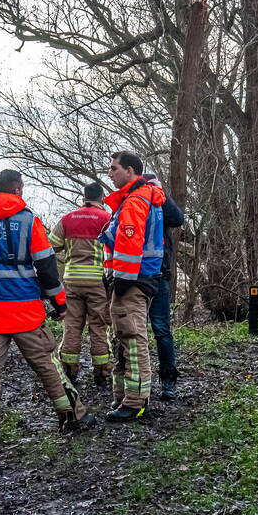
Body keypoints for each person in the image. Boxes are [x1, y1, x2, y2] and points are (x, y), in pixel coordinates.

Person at [0, 169, 94, 447]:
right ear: (18, 190)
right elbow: (46, 268)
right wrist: (59, 304)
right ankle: (72, 416)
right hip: (25, 310)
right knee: (46, 364)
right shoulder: (30, 222)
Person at [99, 151, 165, 422]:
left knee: (132, 339)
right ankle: (124, 397)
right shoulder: (140, 198)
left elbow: (129, 243)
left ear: (130, 170)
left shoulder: (136, 200)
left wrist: (120, 280)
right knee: (124, 339)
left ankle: (135, 401)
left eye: (114, 169)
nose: (110, 173)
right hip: (139, 279)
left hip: (133, 281)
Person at [49, 182, 113, 385]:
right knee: (98, 327)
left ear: (83, 197)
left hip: (73, 280)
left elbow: (51, 247)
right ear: (101, 197)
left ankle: (69, 372)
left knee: (72, 326)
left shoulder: (68, 219)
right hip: (97, 281)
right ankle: (101, 373)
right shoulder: (107, 219)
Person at [142, 173, 184, 401]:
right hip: (133, 278)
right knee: (129, 332)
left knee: (161, 330)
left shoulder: (160, 204)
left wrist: (162, 194)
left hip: (159, 276)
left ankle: (168, 381)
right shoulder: (132, 201)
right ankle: (133, 383)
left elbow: (178, 219)